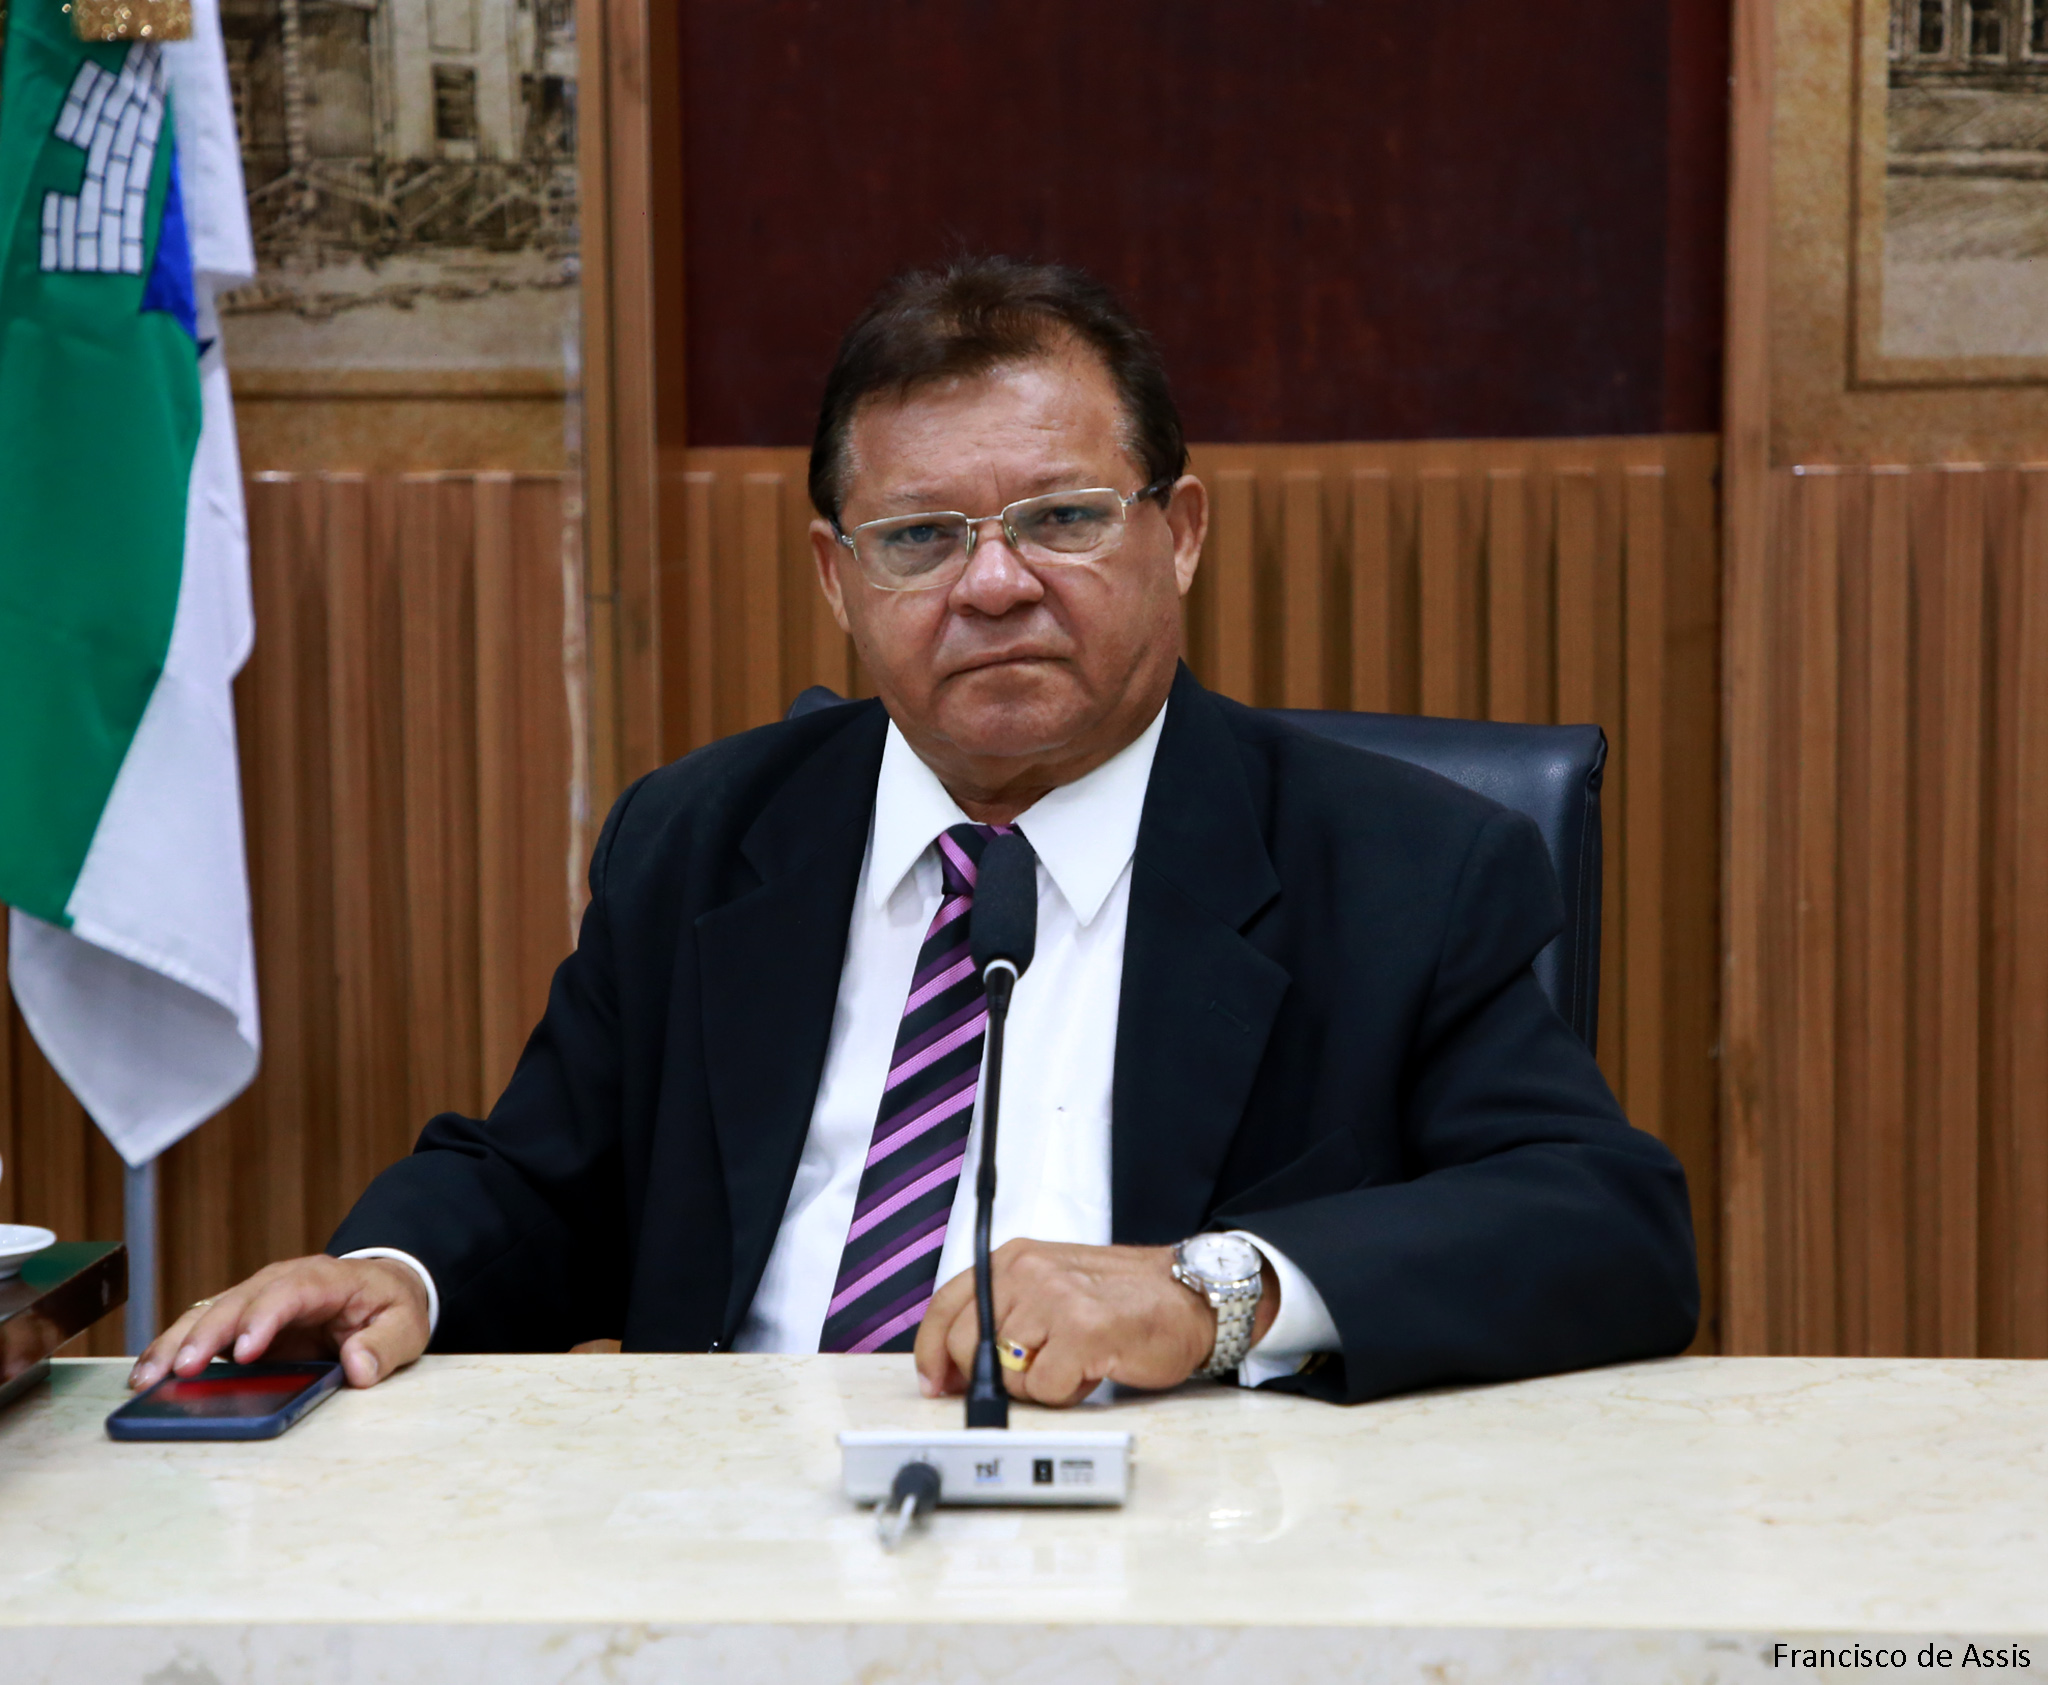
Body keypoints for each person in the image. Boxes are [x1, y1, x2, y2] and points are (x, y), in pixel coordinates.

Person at [132, 257, 1698, 1408]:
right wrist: (389, 1273)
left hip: (1179, 1558)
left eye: (1063, 517)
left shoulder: (1406, 866)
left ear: (1181, 533)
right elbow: (546, 1185)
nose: (994, 582)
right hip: (733, 1557)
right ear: (837, 576)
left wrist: (1204, 1290)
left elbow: (1606, 1225)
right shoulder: (703, 838)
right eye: (921, 536)